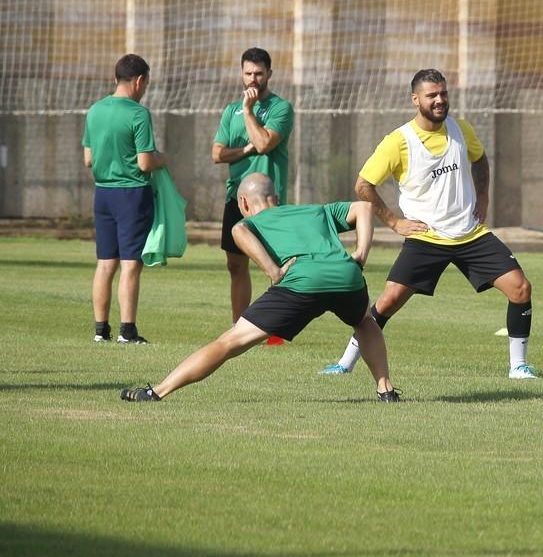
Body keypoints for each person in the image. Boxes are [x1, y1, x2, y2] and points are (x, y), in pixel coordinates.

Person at [319, 69, 537, 379]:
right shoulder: (399, 141)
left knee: (520, 288)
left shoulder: (461, 129)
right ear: (415, 99)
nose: (439, 100)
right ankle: (346, 361)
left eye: (443, 94)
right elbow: (363, 185)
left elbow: (480, 159)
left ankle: (518, 367)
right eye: (432, 95)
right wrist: (394, 222)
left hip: (469, 234)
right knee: (388, 301)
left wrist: (484, 197)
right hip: (427, 237)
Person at [120, 173, 398, 402]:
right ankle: (385, 390)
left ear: (243, 202)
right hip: (346, 276)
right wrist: (360, 254)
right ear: (276, 198)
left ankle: (156, 392)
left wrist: (272, 271)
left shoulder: (251, 221)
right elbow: (364, 207)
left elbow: (238, 231)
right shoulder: (314, 210)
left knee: (230, 341)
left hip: (302, 281)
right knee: (364, 321)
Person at [82, 54, 167, 344]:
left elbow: (88, 159)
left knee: (106, 263)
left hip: (102, 194)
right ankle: (127, 331)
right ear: (140, 80)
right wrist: (162, 159)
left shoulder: (95, 110)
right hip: (131, 194)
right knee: (131, 264)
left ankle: (100, 330)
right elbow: (145, 163)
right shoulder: (137, 113)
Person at [212, 47, 294, 324]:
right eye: (248, 73)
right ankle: (239, 324)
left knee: (276, 264)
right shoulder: (230, 111)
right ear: (241, 73)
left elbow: (263, 143)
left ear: (269, 73)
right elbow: (217, 154)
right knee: (235, 264)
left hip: (268, 200)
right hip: (238, 198)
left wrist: (248, 111)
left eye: (259, 73)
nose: (253, 79)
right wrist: (244, 151)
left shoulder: (280, 108)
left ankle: (274, 326)